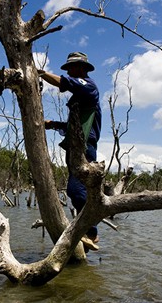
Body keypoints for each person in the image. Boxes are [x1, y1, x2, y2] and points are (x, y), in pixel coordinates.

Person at [38, 52, 102, 251]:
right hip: (75, 144)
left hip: (85, 146)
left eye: (73, 67)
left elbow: (62, 83)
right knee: (74, 192)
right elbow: (74, 125)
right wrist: (53, 124)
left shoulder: (89, 86)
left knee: (76, 190)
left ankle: (91, 232)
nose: (71, 71)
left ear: (82, 69)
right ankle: (87, 233)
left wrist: (40, 73)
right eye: (69, 68)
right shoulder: (78, 96)